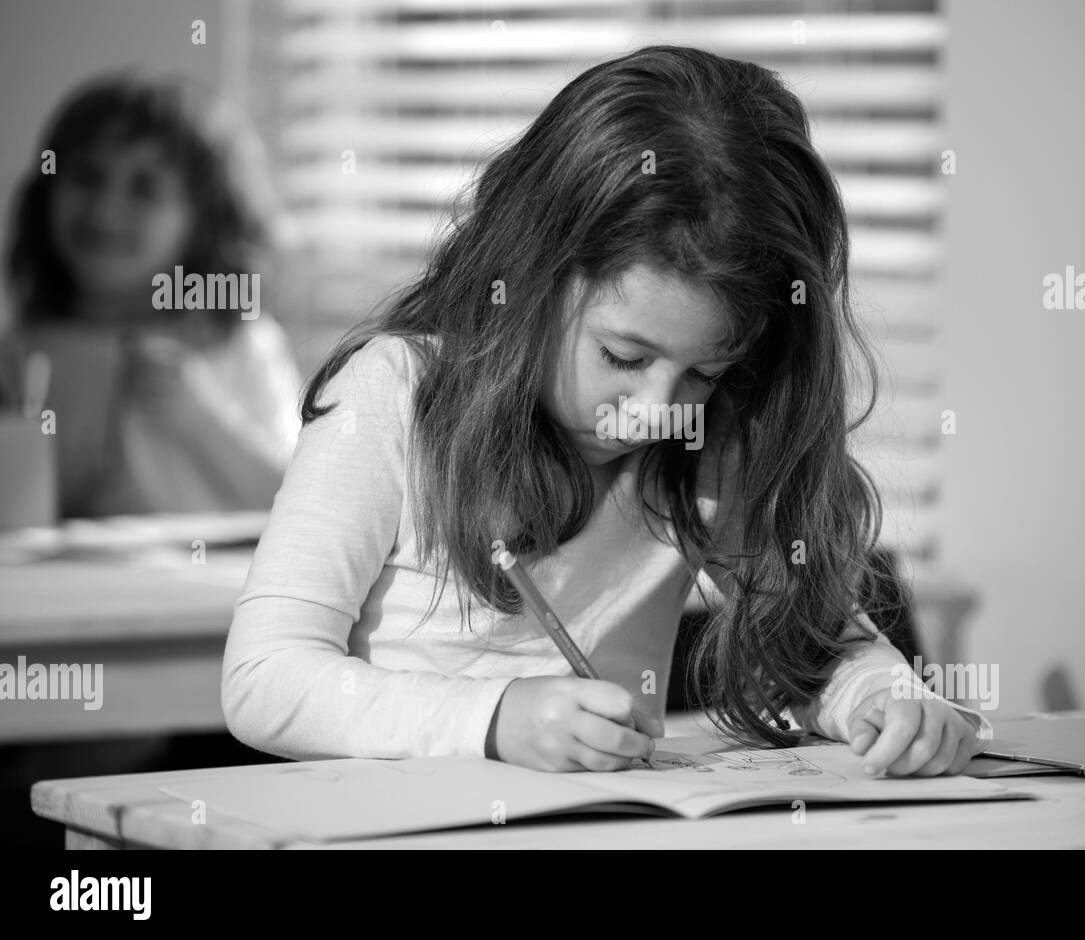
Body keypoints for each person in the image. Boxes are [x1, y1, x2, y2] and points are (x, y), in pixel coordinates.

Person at [222, 45, 992, 776]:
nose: (655, 412)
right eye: (623, 358)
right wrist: (492, 720)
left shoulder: (712, 439)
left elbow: (814, 648)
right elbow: (265, 679)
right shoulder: (394, 395)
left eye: (705, 372)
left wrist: (893, 703)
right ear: (530, 276)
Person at [1, 71, 302, 518]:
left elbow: (300, 501)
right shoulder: (23, 354)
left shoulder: (239, 345)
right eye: (86, 176)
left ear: (205, 221)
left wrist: (201, 418)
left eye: (144, 188)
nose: (106, 208)